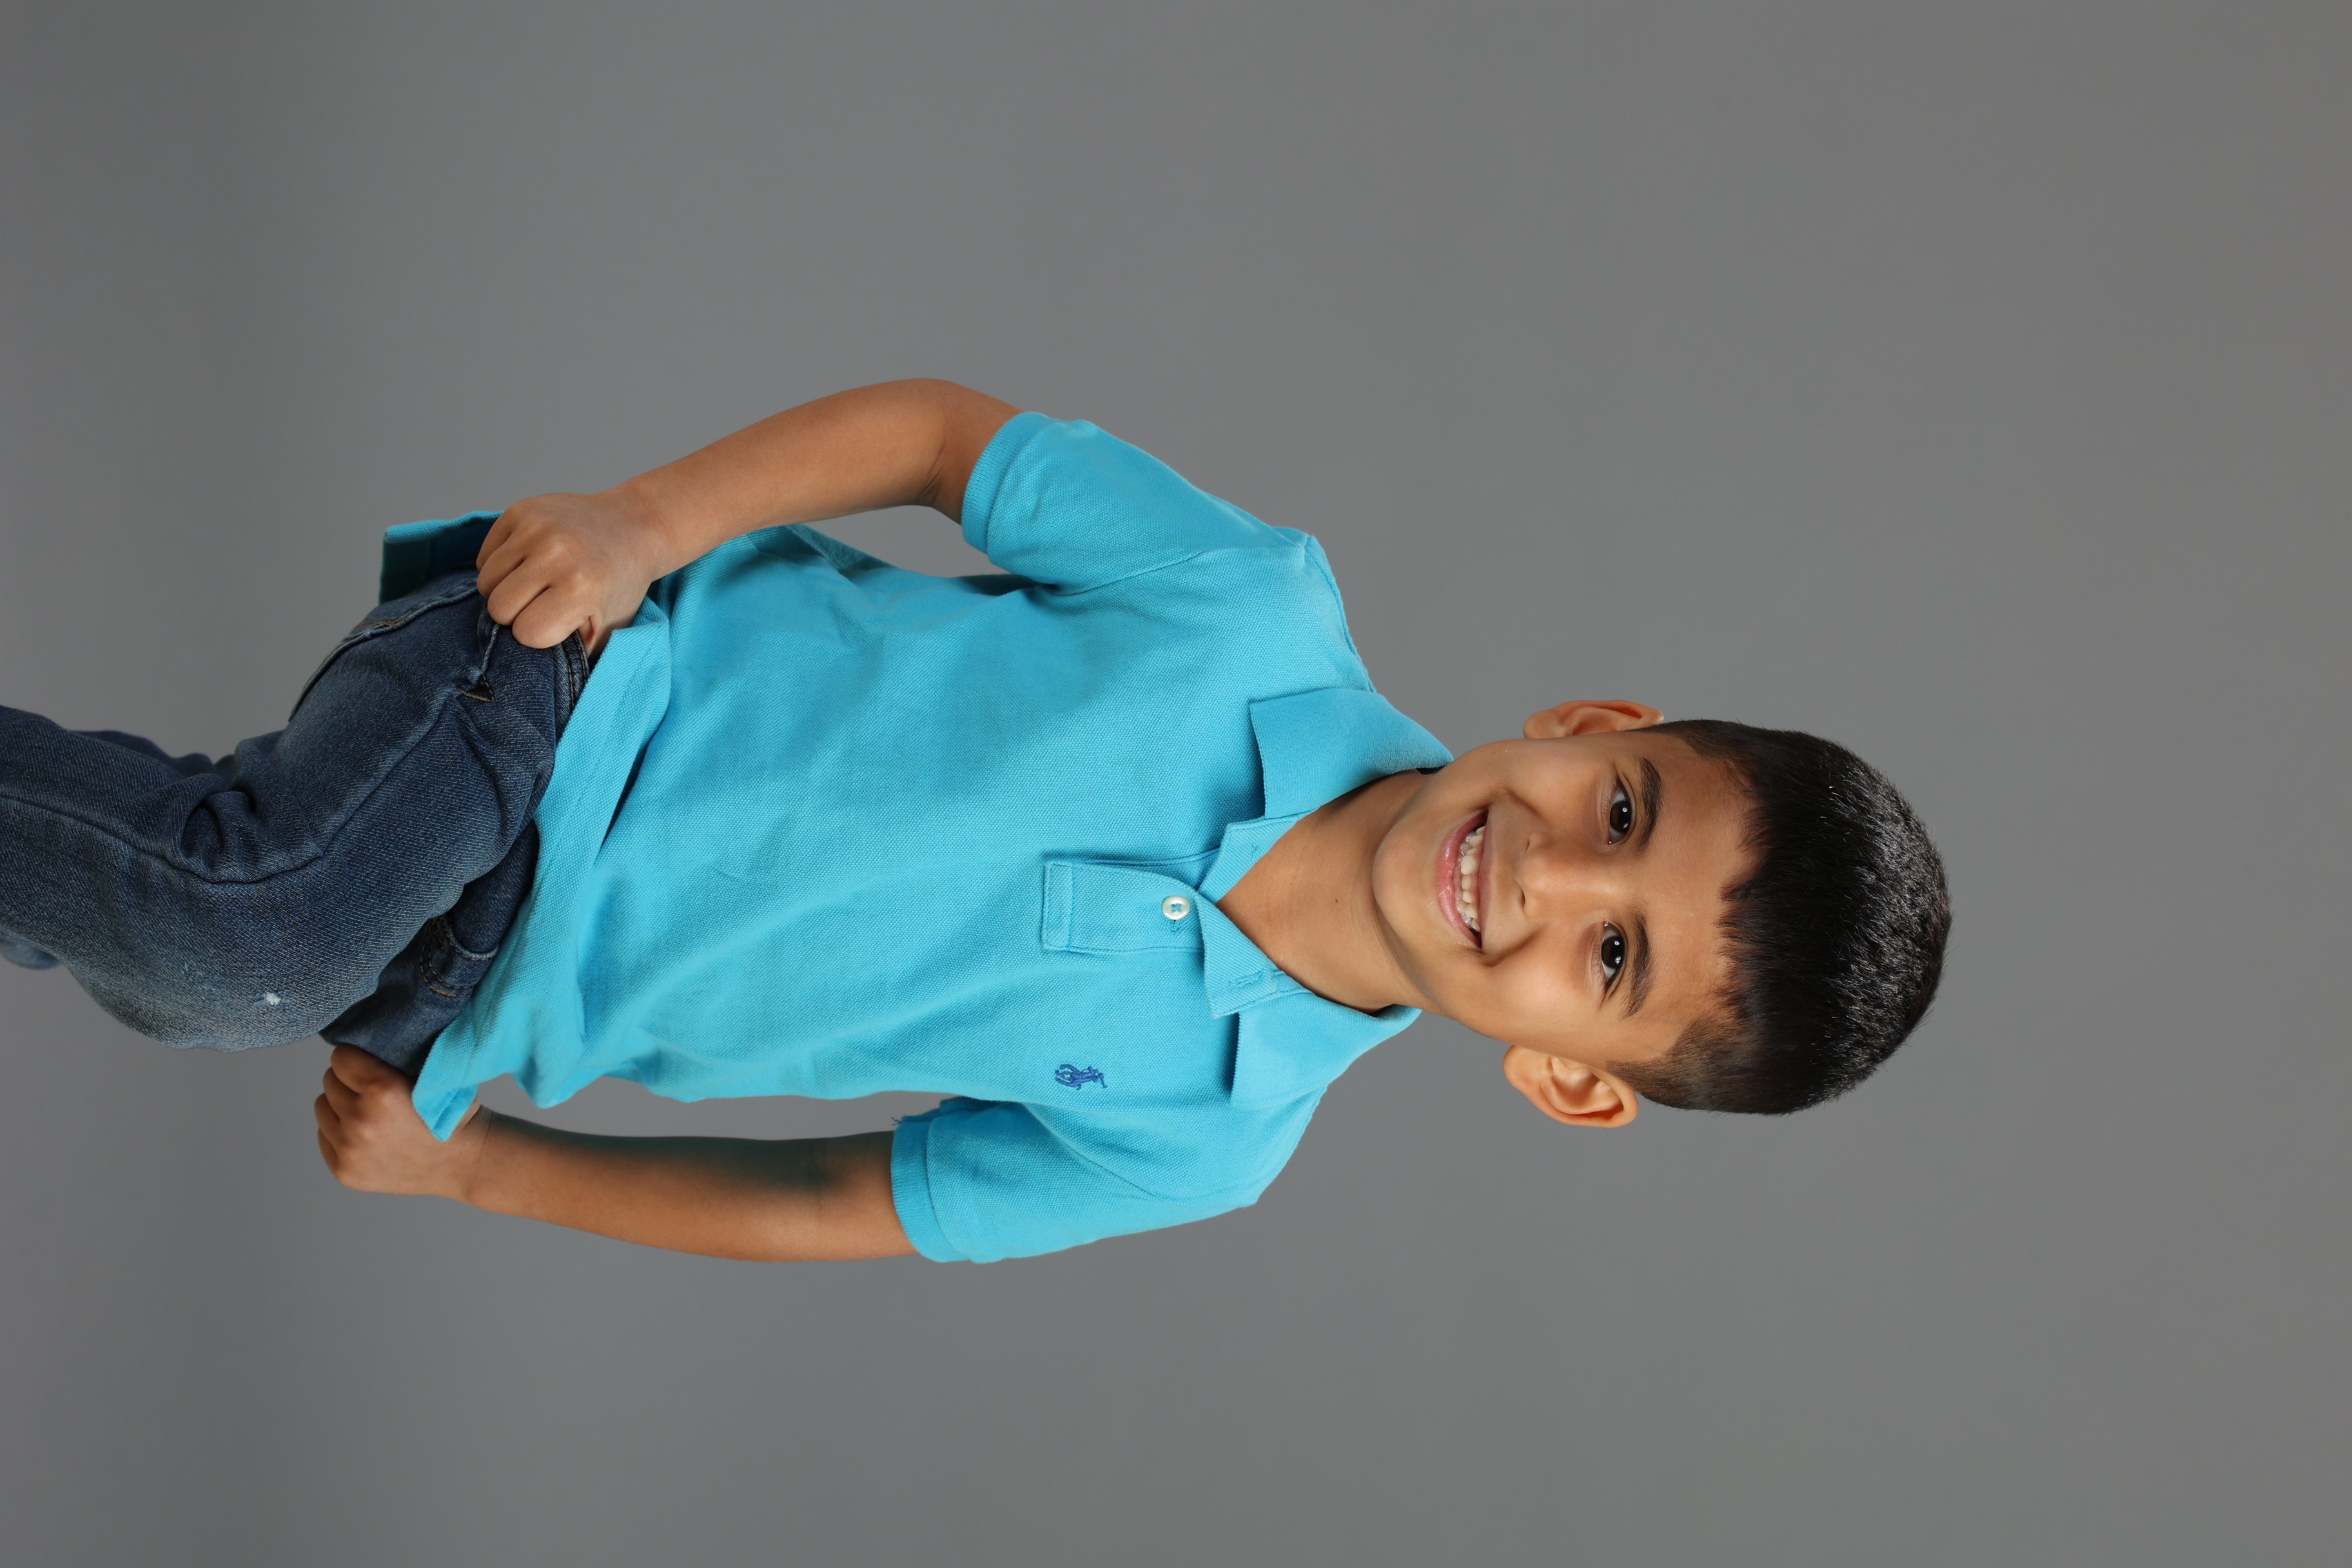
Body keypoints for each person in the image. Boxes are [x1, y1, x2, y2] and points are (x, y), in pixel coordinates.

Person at [0, 380, 1950, 1262]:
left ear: (1570, 1079)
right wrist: (641, 525)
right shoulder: (1251, 610)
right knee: (247, 935)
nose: (1547, 873)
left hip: (485, 993)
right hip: (569, 685)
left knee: (180, 948)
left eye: (1610, 955)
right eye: (1623, 808)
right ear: (1597, 725)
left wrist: (488, 1174)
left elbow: (836, 1200)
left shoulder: (1205, 1140)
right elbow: (945, 443)